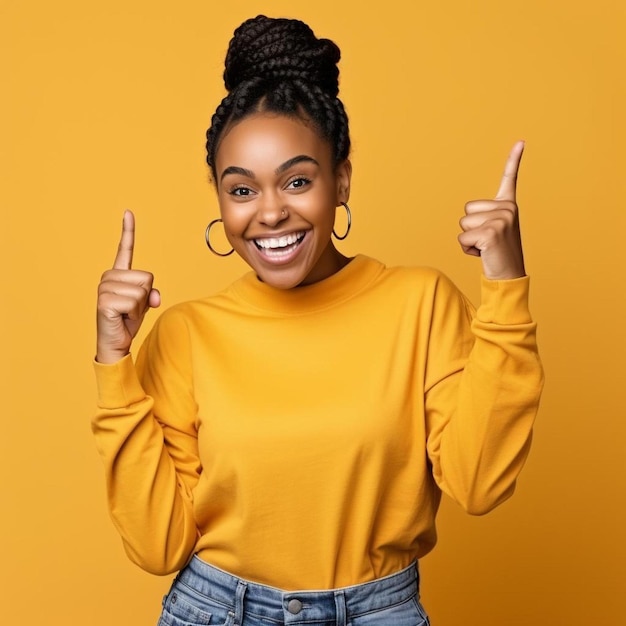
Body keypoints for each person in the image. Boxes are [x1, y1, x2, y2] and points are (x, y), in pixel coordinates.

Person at [92, 14, 543, 626]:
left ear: (342, 180)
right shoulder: (185, 334)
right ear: (220, 199)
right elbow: (157, 547)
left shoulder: (420, 304)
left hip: (378, 611)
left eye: (298, 181)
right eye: (242, 190)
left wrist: (505, 285)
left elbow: (480, 482)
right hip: (217, 611)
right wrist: (114, 363)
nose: (271, 213)